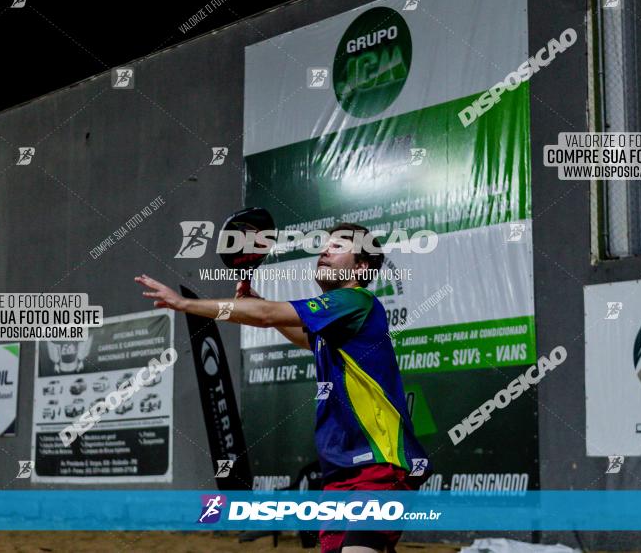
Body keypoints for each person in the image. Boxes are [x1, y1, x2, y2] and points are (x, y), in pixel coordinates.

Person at [136, 223, 430, 553]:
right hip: (340, 472)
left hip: (379, 464)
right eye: (325, 245)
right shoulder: (337, 324)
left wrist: (185, 304)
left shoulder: (355, 300)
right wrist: (258, 302)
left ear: (361, 267)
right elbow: (304, 336)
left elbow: (264, 316)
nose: (325, 251)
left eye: (338, 246)